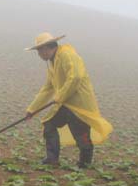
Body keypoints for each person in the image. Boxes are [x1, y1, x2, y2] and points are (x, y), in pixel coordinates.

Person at [23, 32, 113, 169]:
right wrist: (32, 109)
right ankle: (52, 159)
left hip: (79, 104)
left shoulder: (67, 55)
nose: (39, 54)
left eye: (39, 51)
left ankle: (85, 163)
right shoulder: (52, 63)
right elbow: (47, 88)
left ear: (46, 48)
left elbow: (76, 77)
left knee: (81, 135)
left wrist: (60, 96)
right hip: (66, 103)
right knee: (49, 124)